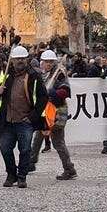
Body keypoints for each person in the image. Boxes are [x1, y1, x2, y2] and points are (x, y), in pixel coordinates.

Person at [0, 45, 48, 187]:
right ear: (12, 61)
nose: (20, 61)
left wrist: (32, 117)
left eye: (23, 59)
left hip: (25, 121)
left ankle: (22, 176)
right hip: (7, 120)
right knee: (5, 149)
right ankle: (11, 174)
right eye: (17, 59)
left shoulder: (34, 76)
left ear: (27, 60)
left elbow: (43, 97)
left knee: (25, 149)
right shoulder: (6, 74)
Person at [30, 50, 76, 180]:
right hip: (45, 111)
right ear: (42, 62)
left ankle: (69, 169)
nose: (48, 64)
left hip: (56, 112)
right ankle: (31, 163)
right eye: (46, 62)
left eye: (51, 62)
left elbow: (65, 90)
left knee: (58, 142)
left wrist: (51, 93)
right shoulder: (43, 74)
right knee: (38, 137)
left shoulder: (59, 73)